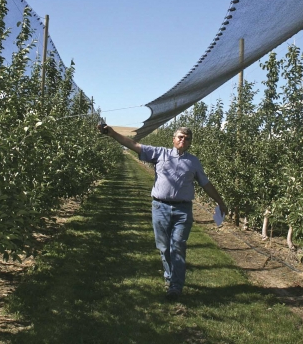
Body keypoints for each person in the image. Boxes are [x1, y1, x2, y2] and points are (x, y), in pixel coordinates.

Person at [98, 124, 228, 300]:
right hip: (160, 207)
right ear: (173, 139)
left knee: (178, 246)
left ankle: (175, 286)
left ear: (190, 143)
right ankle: (169, 277)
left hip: (183, 210)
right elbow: (134, 145)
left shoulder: (193, 162)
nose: (183, 140)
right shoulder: (160, 154)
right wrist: (112, 134)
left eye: (187, 138)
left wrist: (219, 201)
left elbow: (205, 184)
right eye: (180, 137)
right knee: (164, 247)